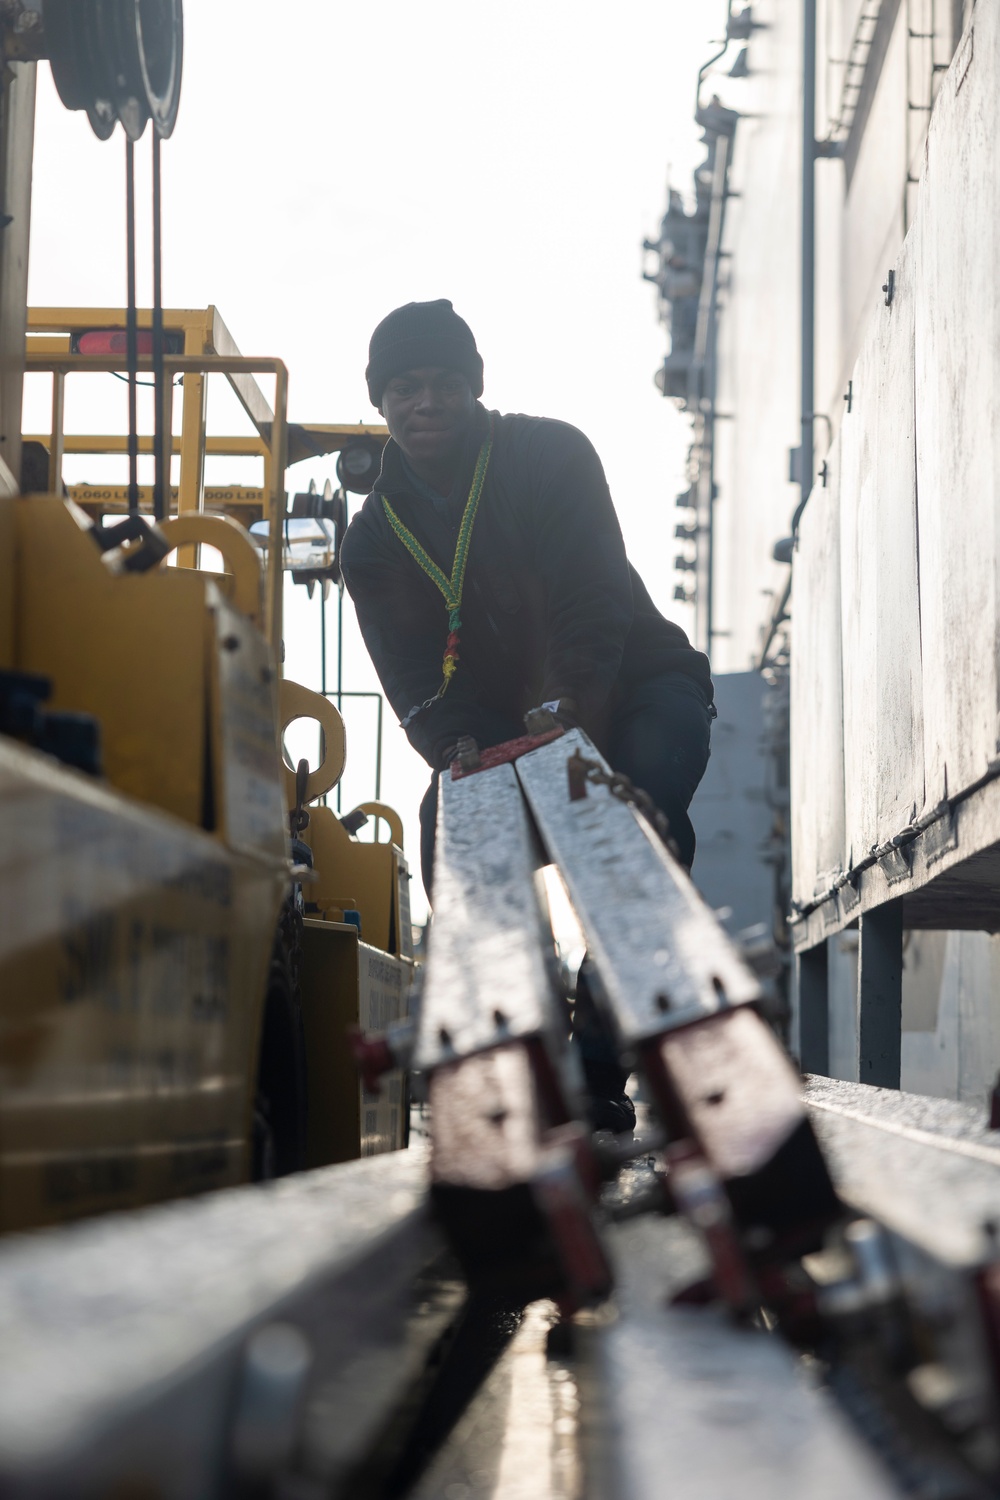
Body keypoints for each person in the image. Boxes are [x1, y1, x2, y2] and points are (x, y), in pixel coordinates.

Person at [341, 299, 715, 1132]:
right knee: (454, 828)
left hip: (633, 685)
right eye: (405, 388)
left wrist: (568, 706)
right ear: (381, 402)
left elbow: (591, 597)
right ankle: (518, 1056)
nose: (425, 403)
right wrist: (455, 743)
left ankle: (597, 1071)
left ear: (475, 388)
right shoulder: (370, 542)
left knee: (642, 821)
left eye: (444, 384)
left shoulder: (549, 454)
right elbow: (412, 675)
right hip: (507, 727)